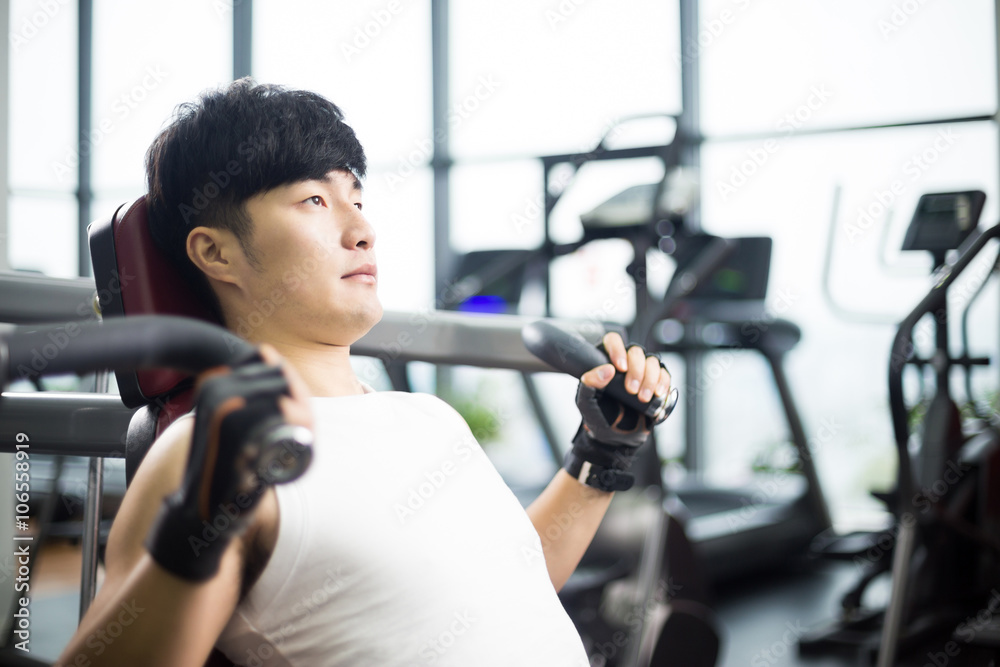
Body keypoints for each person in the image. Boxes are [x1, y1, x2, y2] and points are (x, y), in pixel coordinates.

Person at [56, 78, 673, 667]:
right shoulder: (205, 449)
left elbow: (514, 584)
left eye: (358, 199)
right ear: (217, 252)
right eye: (315, 200)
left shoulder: (426, 416)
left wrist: (603, 451)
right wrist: (199, 520)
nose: (362, 230)